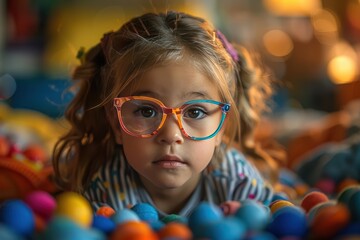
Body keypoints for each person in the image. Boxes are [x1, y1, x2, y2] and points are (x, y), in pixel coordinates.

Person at [52, 10, 276, 217]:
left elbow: (275, 217)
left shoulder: (237, 179)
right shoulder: (105, 190)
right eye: (147, 111)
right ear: (116, 123)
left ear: (221, 127)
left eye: (195, 112)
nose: (171, 135)